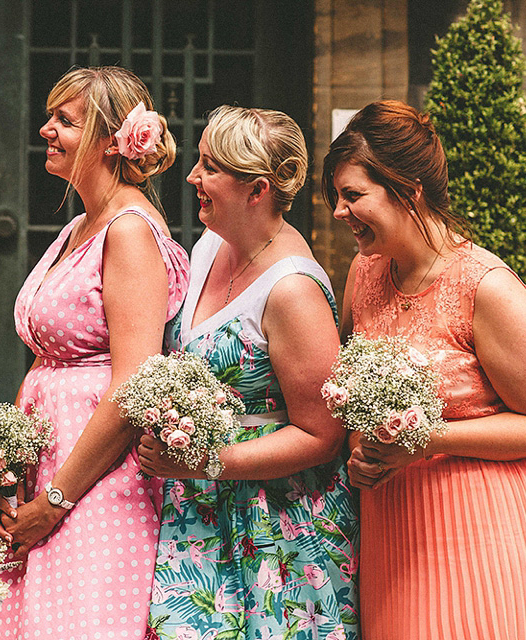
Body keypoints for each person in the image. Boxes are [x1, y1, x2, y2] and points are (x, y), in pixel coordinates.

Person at [138, 106, 359, 640]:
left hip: (275, 531)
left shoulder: (293, 290)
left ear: (257, 189)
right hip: (198, 512)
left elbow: (322, 434)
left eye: (210, 167)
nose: (192, 176)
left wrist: (208, 461)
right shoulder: (211, 244)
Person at [325, 100, 526, 639]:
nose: (338, 212)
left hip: (477, 527)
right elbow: (356, 394)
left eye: (353, 195)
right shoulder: (365, 272)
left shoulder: (485, 286)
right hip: (390, 529)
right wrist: (361, 451)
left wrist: (424, 440)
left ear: (408, 189)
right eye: (336, 197)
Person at [0, 66, 190, 640]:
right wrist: (10, 469)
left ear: (110, 141)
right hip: (49, 464)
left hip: (99, 482)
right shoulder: (80, 224)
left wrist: (55, 500)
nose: (47, 129)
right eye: (51, 117)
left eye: (65, 121)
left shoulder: (127, 230)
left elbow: (134, 384)